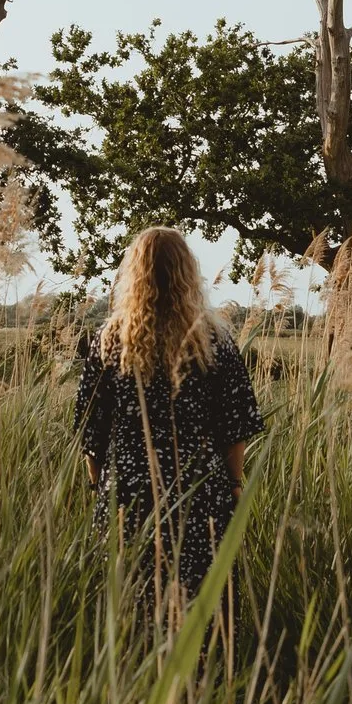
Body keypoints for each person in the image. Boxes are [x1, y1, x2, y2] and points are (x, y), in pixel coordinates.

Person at [73, 227, 265, 611]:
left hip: (126, 494)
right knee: (202, 603)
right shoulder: (216, 341)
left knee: (131, 604)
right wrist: (234, 485)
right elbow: (235, 426)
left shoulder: (109, 340)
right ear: (187, 274)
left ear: (135, 275)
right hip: (199, 490)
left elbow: (89, 429)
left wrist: (98, 485)